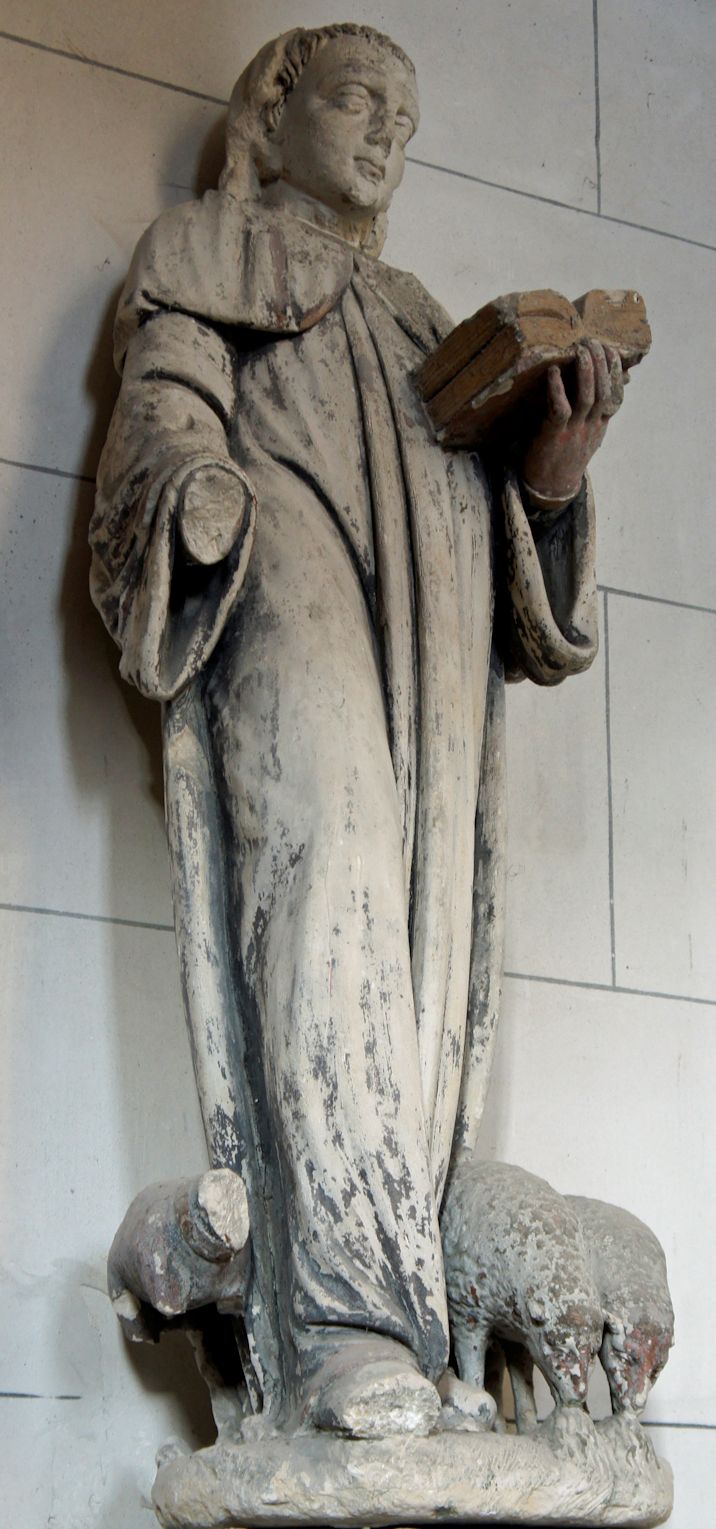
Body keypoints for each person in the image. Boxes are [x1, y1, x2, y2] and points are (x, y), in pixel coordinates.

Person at [90, 23, 624, 1437]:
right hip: (286, 595)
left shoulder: (417, 319)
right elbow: (158, 420)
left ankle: (412, 1319)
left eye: (408, 111)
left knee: (421, 952)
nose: (388, 132)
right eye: (359, 99)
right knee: (323, 890)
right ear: (279, 107)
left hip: (433, 671)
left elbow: (535, 617)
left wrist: (554, 483)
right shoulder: (206, 253)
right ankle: (335, 1330)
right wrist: (195, 494)